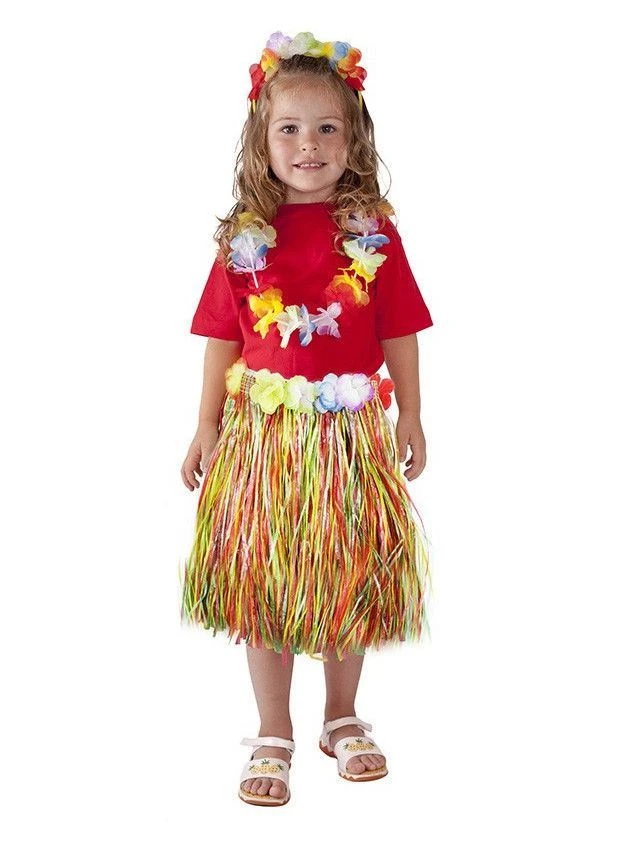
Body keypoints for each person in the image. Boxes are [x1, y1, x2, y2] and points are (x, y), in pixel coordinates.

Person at [178, 31, 434, 807]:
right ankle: (273, 730)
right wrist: (205, 425)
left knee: (346, 577)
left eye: (327, 128)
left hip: (348, 439)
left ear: (354, 139)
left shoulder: (374, 235)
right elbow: (223, 340)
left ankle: (342, 714)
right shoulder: (242, 242)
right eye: (289, 128)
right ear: (262, 140)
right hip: (263, 442)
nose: (309, 145)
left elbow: (400, 331)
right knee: (263, 585)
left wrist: (412, 413)